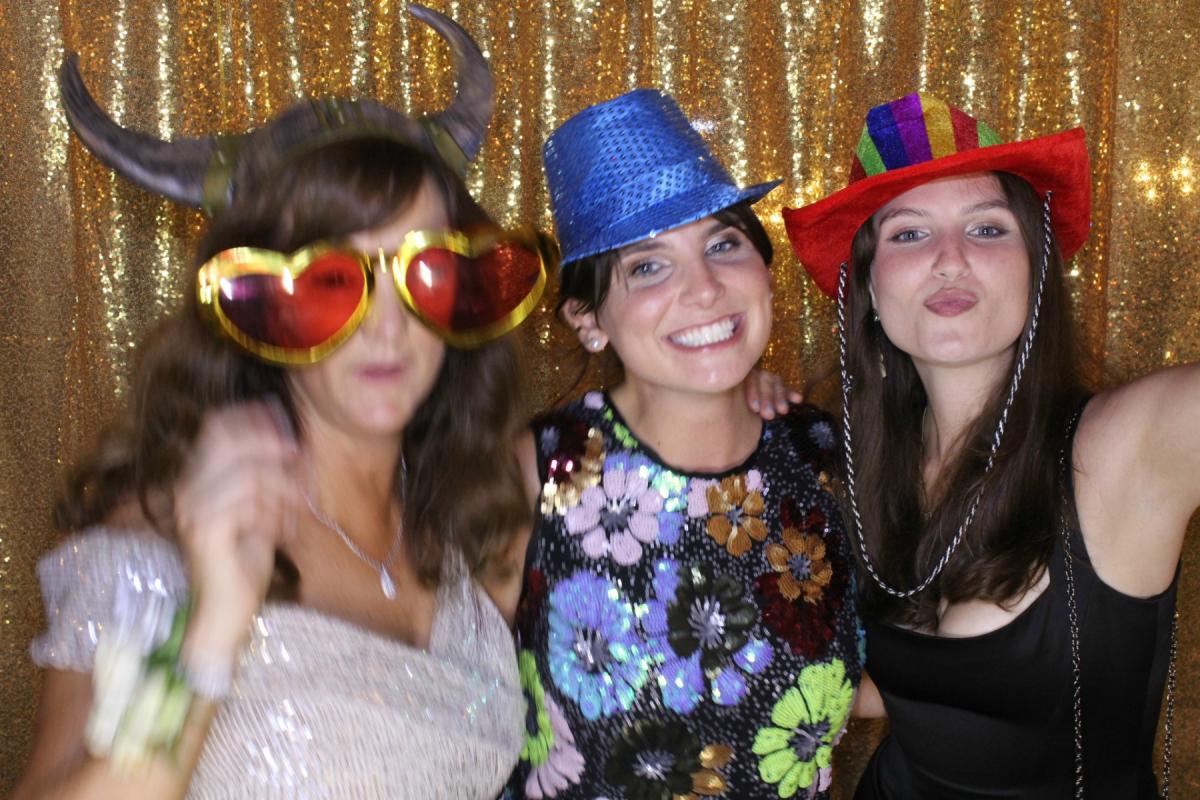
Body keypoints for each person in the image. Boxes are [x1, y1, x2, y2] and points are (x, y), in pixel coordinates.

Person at [13, 6, 539, 797]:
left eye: (424, 271)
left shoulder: (470, 523)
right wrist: (210, 629)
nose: (388, 327)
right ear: (259, 307)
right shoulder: (161, 538)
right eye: (330, 282)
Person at [783, 92, 1198, 798]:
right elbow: (903, 686)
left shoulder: (1123, 445)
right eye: (909, 234)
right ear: (870, 290)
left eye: (986, 228)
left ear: (1037, 267)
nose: (950, 259)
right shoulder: (852, 467)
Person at [504, 89, 863, 800]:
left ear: (764, 272)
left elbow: (898, 665)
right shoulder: (533, 466)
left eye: (723, 245)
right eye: (648, 265)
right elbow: (444, 692)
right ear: (587, 320)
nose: (704, 289)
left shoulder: (826, 454)